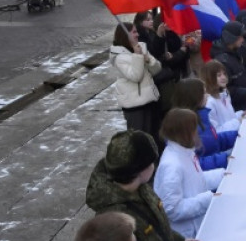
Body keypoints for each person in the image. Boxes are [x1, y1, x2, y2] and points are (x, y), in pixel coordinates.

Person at [84, 130, 191, 241]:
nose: (153, 166)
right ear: (140, 171)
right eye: (151, 162)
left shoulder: (141, 187)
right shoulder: (114, 221)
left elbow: (159, 230)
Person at [154, 108, 225, 239]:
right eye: (194, 129)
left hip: (197, 224)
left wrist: (222, 176)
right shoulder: (171, 166)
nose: (197, 132)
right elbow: (172, 209)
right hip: (187, 232)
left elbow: (196, 181)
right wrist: (208, 199)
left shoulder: (186, 153)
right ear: (185, 133)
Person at [109, 23, 162, 141]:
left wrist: (148, 59)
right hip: (134, 105)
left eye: (137, 31)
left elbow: (157, 69)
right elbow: (136, 76)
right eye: (134, 32)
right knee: (138, 140)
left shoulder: (141, 47)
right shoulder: (119, 57)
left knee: (152, 137)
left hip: (149, 99)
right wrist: (138, 56)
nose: (137, 34)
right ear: (125, 35)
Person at [171, 78, 238, 171]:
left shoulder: (202, 116)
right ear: (194, 97)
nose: (207, 95)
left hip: (218, 169)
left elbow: (213, 141)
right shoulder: (185, 128)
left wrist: (235, 135)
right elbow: (193, 164)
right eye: (204, 93)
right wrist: (222, 160)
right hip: (211, 174)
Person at [211, 21, 246, 111]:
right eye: (240, 37)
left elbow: (242, 76)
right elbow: (226, 90)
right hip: (238, 108)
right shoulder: (222, 61)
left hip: (245, 102)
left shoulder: (234, 53)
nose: (243, 40)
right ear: (231, 38)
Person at [201, 60, 243, 132]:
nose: (223, 77)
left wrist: (240, 114)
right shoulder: (210, 103)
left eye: (224, 74)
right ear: (210, 78)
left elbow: (229, 118)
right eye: (219, 75)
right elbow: (217, 131)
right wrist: (238, 121)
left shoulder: (224, 93)